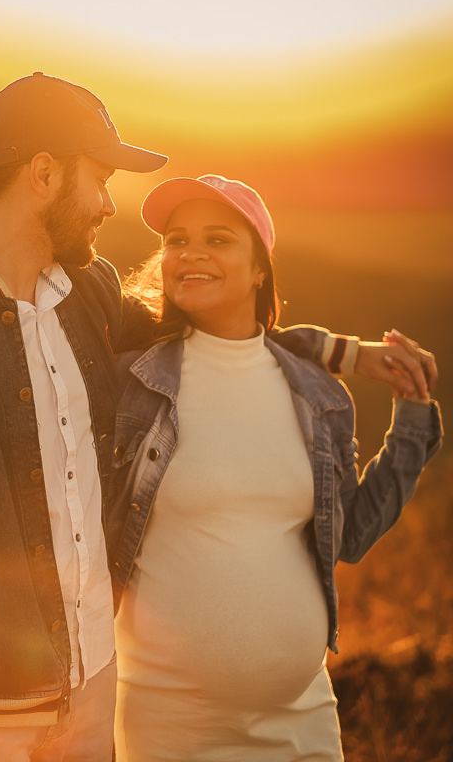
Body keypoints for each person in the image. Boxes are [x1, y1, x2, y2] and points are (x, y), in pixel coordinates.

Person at [0, 75, 435, 762]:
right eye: (101, 178)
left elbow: (218, 325)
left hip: (92, 691)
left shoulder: (91, 292)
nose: (110, 205)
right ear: (44, 174)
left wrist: (345, 354)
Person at [108, 174, 442, 762]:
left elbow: (352, 534)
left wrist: (412, 418)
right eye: (178, 239)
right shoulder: (135, 382)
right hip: (171, 720)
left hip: (302, 716)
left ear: (260, 268)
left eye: (218, 239)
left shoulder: (313, 391)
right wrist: (347, 348)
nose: (192, 254)